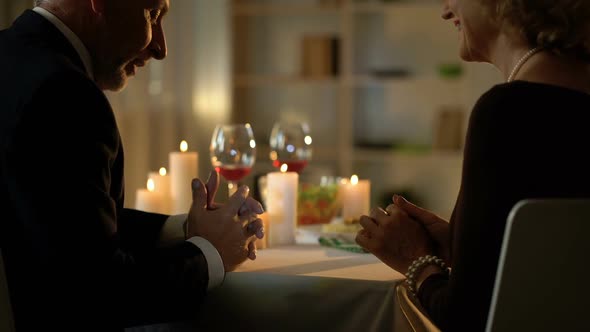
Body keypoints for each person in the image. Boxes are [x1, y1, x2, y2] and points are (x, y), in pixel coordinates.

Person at [0, 0, 265, 330]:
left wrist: (182, 229)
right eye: (152, 14)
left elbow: (64, 225)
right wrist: (210, 253)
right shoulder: (65, 94)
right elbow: (99, 293)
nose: (161, 47)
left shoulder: (12, 56)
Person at [355, 1, 590, 331]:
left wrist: (415, 260)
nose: (445, 10)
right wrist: (460, 245)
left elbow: (465, 319)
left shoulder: (507, 113)